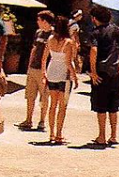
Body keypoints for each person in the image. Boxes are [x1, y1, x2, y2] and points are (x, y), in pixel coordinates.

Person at [87, 5, 119, 146]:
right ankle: (113, 136)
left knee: (101, 106)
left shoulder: (95, 33)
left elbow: (94, 51)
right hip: (114, 73)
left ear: (95, 19)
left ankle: (102, 136)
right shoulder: (117, 30)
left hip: (101, 72)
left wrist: (93, 72)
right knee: (113, 106)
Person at [42, 16, 78, 145]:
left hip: (51, 73)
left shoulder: (50, 39)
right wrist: (75, 77)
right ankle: (59, 134)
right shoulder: (68, 42)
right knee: (62, 107)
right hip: (63, 76)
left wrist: (44, 73)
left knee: (53, 105)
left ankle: (51, 133)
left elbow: (44, 58)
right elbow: (69, 62)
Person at [17, 10, 54, 131]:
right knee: (30, 96)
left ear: (44, 21)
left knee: (44, 97)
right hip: (33, 68)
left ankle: (42, 121)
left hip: (45, 70)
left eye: (39, 20)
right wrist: (29, 65)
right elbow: (34, 49)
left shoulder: (54, 35)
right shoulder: (38, 33)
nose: (37, 22)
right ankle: (28, 119)